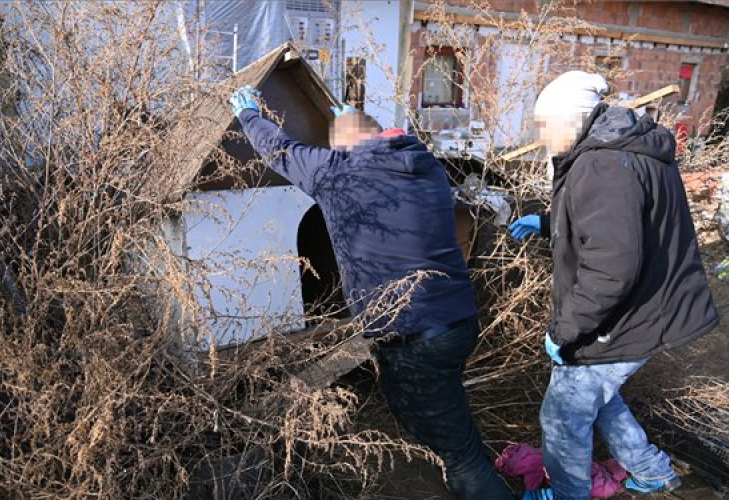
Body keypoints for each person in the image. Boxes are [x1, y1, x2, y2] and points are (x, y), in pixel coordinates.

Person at [229, 86, 513, 500]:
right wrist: (355, 120)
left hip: (416, 333)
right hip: (454, 322)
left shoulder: (336, 171)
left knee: (461, 451)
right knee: (420, 407)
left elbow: (281, 151)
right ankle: (450, 454)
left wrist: (250, 116)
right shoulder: (425, 163)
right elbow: (375, 142)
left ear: (340, 147)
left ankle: (469, 475)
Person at [509, 71, 720, 500]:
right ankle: (654, 472)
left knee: (564, 414)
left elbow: (612, 269)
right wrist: (552, 224)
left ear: (574, 118)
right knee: (600, 397)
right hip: (652, 304)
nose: (544, 135)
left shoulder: (601, 163)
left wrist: (564, 331)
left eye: (547, 124)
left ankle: (569, 494)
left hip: (627, 314)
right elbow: (620, 223)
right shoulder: (624, 148)